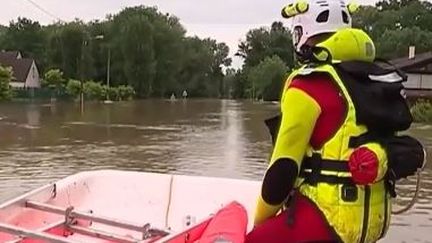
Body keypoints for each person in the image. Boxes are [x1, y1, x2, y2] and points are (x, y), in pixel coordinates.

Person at [245, 1, 425, 243]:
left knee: (256, 240)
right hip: (371, 222)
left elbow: (283, 169)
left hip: (327, 221)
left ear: (303, 33)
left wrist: (260, 222)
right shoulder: (372, 77)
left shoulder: (308, 85)